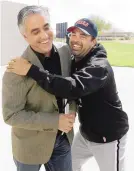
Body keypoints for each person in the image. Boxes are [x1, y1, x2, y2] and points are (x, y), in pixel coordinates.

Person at [7, 18, 129, 171]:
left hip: (108, 136)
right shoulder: (75, 59)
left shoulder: (99, 66)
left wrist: (31, 70)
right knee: (72, 164)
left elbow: (72, 87)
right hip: (85, 134)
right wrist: (71, 111)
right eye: (73, 34)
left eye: (83, 36)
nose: (76, 39)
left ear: (94, 41)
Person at [2, 5, 76, 171]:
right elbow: (11, 115)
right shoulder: (14, 71)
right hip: (29, 148)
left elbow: (72, 85)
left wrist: (73, 109)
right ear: (25, 36)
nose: (44, 36)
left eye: (46, 27)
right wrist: (56, 121)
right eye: (35, 32)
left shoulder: (65, 53)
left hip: (63, 140)